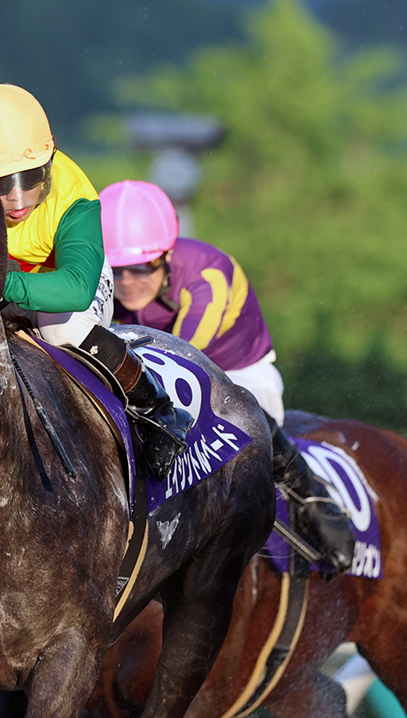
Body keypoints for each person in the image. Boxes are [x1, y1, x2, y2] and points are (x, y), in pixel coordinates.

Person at [99, 179, 354, 573]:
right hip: (146, 372)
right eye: (117, 270)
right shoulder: (109, 278)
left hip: (237, 376)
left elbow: (181, 360)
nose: (128, 282)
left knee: (245, 427)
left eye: (141, 267)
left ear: (166, 255)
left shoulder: (209, 276)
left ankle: (314, 500)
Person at [0, 82, 190, 478]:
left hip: (67, 284)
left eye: (31, 178)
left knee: (60, 326)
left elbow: (77, 289)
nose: (19, 199)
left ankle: (155, 406)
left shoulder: (73, 193)